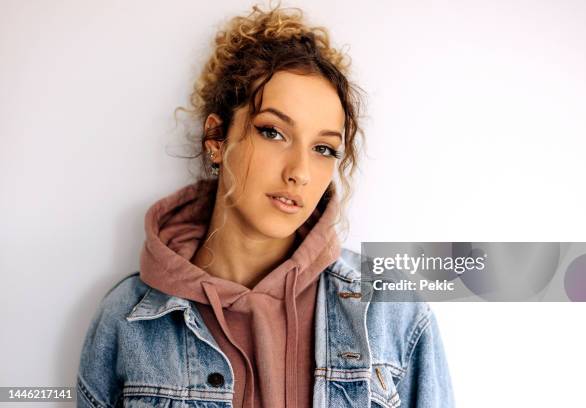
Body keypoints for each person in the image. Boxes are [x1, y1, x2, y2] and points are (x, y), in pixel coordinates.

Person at [76, 3, 454, 407]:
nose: (300, 172)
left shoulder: (389, 310)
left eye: (324, 148)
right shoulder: (128, 319)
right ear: (217, 139)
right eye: (273, 132)